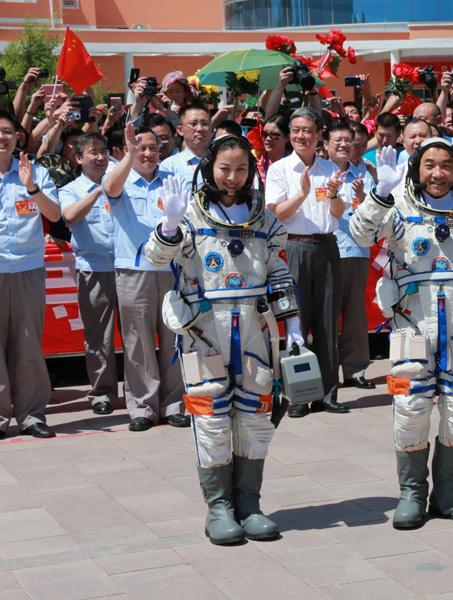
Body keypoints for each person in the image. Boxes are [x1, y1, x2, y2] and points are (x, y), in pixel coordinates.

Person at [349, 138, 453, 529]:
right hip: (413, 320)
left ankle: (450, 491)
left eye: (445, 166)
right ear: (416, 169)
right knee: (410, 409)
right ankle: (411, 493)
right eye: (429, 165)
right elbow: (360, 234)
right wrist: (380, 193)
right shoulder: (398, 210)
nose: (437, 173)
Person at [145, 134, 301, 544]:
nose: (232, 178)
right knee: (211, 419)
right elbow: (155, 258)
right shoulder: (189, 215)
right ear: (209, 167)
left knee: (254, 419)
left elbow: (279, 273)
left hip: (254, 332)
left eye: (242, 170)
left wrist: (294, 326)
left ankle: (249, 504)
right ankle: (219, 508)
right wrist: (170, 224)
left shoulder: (263, 220)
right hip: (204, 333)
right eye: (225, 169)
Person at [103, 123, 189, 431]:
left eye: (153, 147)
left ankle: (175, 403)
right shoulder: (121, 178)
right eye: (141, 148)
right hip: (134, 271)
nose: (148, 153)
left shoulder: (173, 180)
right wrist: (129, 154)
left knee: (174, 339)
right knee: (137, 343)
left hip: (171, 270)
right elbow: (110, 189)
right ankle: (142, 407)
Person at [266, 107, 349, 416]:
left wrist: (335, 196)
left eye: (308, 131)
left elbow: (338, 213)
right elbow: (277, 213)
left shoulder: (330, 169)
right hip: (295, 250)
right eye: (296, 130)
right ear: (290, 135)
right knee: (296, 323)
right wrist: (302, 194)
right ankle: (298, 395)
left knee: (328, 323)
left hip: (328, 248)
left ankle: (327, 393)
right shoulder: (279, 169)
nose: (302, 136)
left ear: (319, 136)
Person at [0, 110, 61, 439]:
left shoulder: (34, 172)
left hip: (27, 269)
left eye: (8, 131)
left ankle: (31, 415)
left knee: (27, 345)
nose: (2, 137)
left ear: (17, 138)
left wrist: (33, 188)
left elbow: (55, 214)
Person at [58, 133, 119, 416]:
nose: (100, 157)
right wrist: (98, 190)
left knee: (136, 335)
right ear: (79, 158)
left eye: (104, 151)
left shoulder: (123, 181)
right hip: (94, 270)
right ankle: (102, 393)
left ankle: (139, 391)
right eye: (93, 153)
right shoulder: (71, 189)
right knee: (99, 336)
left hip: (131, 267)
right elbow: (69, 217)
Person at [327, 122, 376, 389]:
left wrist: (363, 197)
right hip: (329, 248)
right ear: (326, 144)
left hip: (356, 249)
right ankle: (328, 370)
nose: (344, 145)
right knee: (328, 315)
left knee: (355, 314)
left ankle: (355, 370)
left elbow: (373, 212)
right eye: (338, 140)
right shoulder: (319, 173)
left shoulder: (363, 175)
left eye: (349, 140)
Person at [161, 104, 213, 189]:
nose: (199, 128)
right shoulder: (170, 166)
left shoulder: (222, 161)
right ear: (180, 130)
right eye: (193, 124)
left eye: (205, 124)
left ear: (211, 128)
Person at [257, 115, 290, 185]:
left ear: (287, 137)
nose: (268, 139)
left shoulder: (295, 163)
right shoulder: (255, 159)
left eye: (274, 135)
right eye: (264, 134)